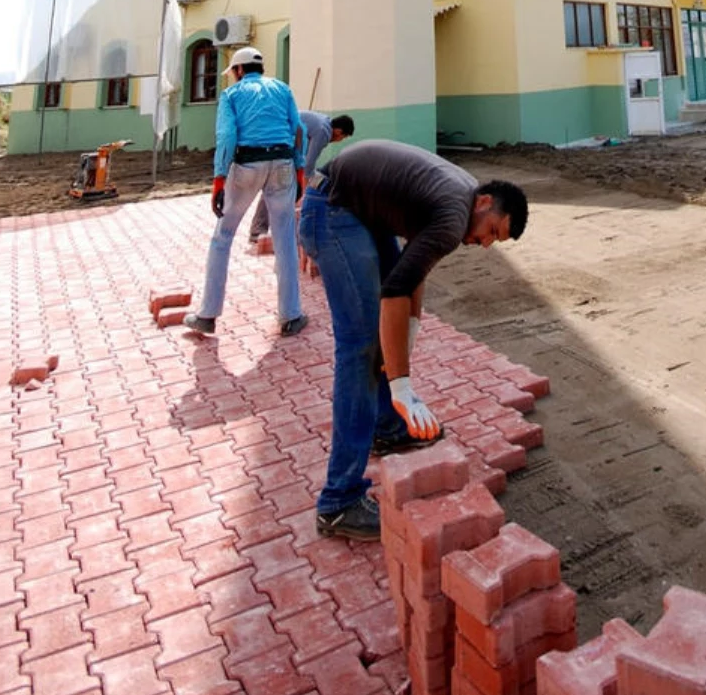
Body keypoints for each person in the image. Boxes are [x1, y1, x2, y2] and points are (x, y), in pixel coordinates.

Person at [296, 139, 529, 540]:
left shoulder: (461, 199)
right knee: (362, 347)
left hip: (359, 208)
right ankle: (339, 501)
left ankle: (385, 426)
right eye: (492, 231)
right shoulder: (455, 218)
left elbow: (413, 268)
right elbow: (396, 291)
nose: (485, 244)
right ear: (484, 202)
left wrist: (411, 332)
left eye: (495, 241)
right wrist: (402, 384)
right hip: (335, 210)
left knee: (384, 332)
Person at [183, 46, 309, 337]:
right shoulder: (281, 88)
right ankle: (291, 315)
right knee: (285, 238)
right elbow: (298, 129)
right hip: (282, 163)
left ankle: (207, 314)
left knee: (223, 236)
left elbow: (227, 135)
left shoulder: (231, 95)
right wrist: (300, 170)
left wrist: (219, 178)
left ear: (239, 70)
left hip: (246, 165)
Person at [247, 111, 356, 248]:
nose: (340, 140)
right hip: (277, 144)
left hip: (277, 141)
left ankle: (263, 231)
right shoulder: (324, 131)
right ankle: (259, 232)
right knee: (276, 186)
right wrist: (304, 195)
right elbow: (308, 166)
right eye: (343, 137)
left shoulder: (323, 123)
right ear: (339, 132)